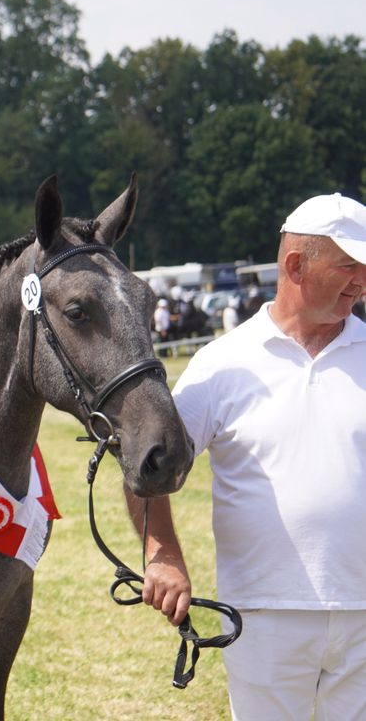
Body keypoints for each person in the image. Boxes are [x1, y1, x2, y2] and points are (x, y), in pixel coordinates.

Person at [127, 193, 366, 719]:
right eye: (350, 266)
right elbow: (148, 464)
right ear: (296, 265)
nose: (361, 281)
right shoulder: (221, 364)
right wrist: (161, 553)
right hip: (263, 614)